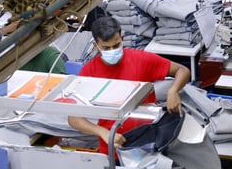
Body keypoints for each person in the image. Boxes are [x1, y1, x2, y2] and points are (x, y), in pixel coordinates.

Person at [68, 16, 189, 153]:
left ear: (122, 39)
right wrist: (102, 132)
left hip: (147, 139)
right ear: (96, 46)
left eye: (116, 46)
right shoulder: (89, 73)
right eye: (106, 48)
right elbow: (74, 118)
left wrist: (173, 91)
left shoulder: (142, 60)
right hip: (113, 143)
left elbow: (182, 70)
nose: (112, 51)